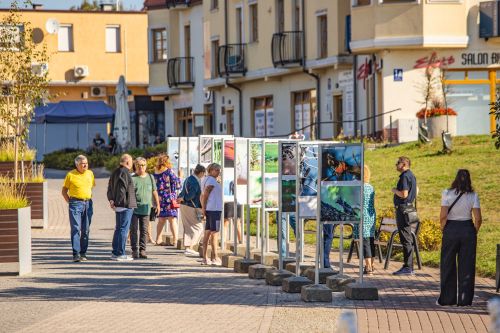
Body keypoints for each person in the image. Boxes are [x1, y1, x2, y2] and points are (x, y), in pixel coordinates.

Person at [437, 169, 482, 307]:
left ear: (455, 179)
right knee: (467, 266)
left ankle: (447, 299)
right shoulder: (473, 195)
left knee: (447, 264)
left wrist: (444, 228)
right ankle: (464, 300)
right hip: (467, 229)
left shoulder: (446, 193)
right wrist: (474, 231)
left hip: (451, 229)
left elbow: (443, 216)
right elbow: (478, 218)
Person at [61, 155, 95, 262]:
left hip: (88, 203)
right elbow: (64, 191)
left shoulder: (90, 173)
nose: (85, 165)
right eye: (82, 163)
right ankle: (76, 254)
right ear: (77, 164)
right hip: (75, 203)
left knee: (85, 230)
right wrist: (71, 202)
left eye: (86, 163)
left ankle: (83, 253)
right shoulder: (70, 175)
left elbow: (91, 187)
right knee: (76, 228)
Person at [107, 154, 137, 261]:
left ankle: (115, 252)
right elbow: (121, 190)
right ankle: (120, 253)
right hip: (125, 205)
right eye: (132, 161)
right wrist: (119, 202)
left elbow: (109, 188)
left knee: (119, 229)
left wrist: (111, 200)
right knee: (123, 230)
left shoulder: (115, 172)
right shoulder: (124, 172)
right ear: (128, 162)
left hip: (119, 204)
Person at [391, 156, 418, 275]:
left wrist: (394, 190)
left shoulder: (405, 176)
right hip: (409, 208)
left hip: (403, 209)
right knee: (407, 237)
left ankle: (408, 267)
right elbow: (417, 189)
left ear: (404, 164)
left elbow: (404, 194)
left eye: (398, 163)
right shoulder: (411, 175)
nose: (396, 165)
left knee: (405, 238)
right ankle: (409, 266)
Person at [130, 157, 160, 259]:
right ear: (135, 166)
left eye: (143, 165)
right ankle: (134, 250)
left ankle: (142, 250)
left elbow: (154, 191)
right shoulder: (132, 178)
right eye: (138, 165)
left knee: (144, 230)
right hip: (133, 209)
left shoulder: (150, 177)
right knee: (133, 230)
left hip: (146, 208)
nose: (141, 167)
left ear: (146, 166)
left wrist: (158, 204)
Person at [353, 165, 376, 275]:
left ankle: (368, 267)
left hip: (361, 216)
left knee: (365, 242)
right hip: (370, 215)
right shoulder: (370, 187)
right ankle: (372, 264)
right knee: (370, 240)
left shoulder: (358, 187)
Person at [178, 164, 206, 256]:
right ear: (201, 173)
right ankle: (190, 247)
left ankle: (187, 247)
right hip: (191, 206)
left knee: (188, 227)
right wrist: (185, 198)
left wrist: (181, 198)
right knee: (199, 228)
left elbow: (183, 191)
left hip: (184, 206)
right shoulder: (195, 181)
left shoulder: (188, 178)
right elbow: (191, 195)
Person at [153, 154, 181, 246]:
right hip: (169, 198)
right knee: (172, 220)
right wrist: (180, 176)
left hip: (160, 198)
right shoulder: (169, 171)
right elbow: (177, 184)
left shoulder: (156, 172)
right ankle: (175, 240)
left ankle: (158, 239)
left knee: (161, 220)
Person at [201, 163, 223, 266]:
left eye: (219, 170)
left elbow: (203, 195)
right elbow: (205, 194)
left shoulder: (207, 179)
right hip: (214, 209)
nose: (219, 172)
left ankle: (205, 258)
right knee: (214, 233)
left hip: (212, 209)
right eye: (217, 170)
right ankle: (215, 257)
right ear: (211, 170)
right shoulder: (211, 181)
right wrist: (204, 208)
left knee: (207, 233)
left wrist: (204, 208)